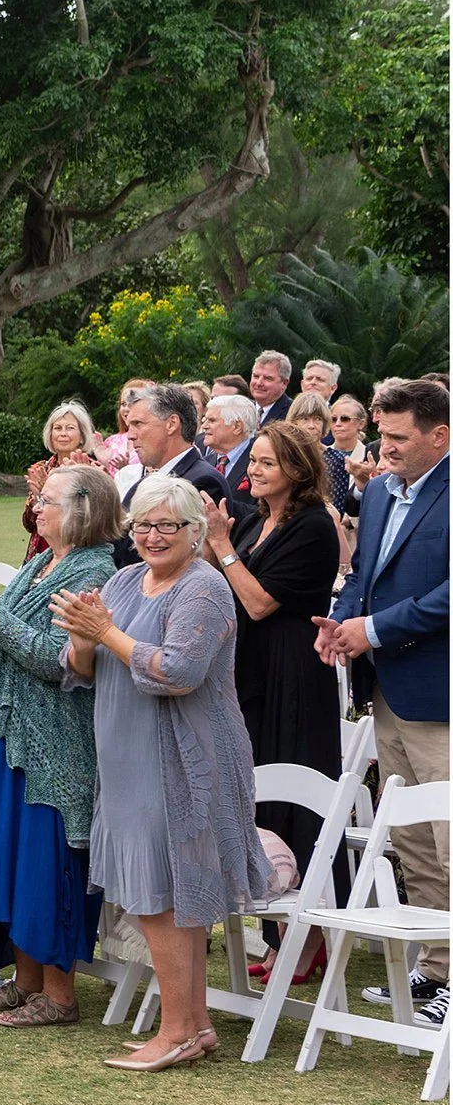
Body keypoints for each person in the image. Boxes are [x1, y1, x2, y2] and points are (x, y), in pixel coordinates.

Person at [54, 475, 272, 1071]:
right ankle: (194, 1025)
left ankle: (176, 1029)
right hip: (126, 757)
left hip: (183, 760)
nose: (152, 536)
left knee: (168, 899)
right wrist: (82, 637)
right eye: (142, 525)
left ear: (196, 532)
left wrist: (107, 634)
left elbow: (178, 671)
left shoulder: (203, 590)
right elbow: (87, 667)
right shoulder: (126, 580)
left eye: (167, 525)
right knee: (159, 895)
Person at [0, 465, 121, 1027]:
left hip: (53, 743)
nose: (36, 508)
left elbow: (56, 659)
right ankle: (24, 982)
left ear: (84, 510)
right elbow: (10, 630)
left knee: (47, 863)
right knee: (8, 856)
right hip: (5, 730)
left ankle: (60, 995)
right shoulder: (44, 559)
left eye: (48, 501)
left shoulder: (95, 571)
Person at [318, 378, 448, 1027]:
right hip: (385, 690)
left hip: (440, 694)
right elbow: (363, 574)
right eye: (383, 435)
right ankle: (436, 967)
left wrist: (371, 628)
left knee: (450, 837)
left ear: (439, 436)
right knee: (413, 838)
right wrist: (340, 624)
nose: (384, 448)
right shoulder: (376, 496)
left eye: (398, 438)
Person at [201, 420, 343, 980]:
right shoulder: (257, 521)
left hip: (293, 672)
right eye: (252, 461)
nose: (252, 470)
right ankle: (276, 930)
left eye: (264, 463)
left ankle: (305, 935)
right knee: (257, 792)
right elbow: (225, 583)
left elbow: (260, 603)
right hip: (252, 670)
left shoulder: (313, 526)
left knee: (291, 796)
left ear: (297, 470)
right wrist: (217, 548)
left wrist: (219, 545)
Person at [111, 383, 236, 567]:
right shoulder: (151, 479)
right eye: (129, 425)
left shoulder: (202, 482)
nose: (130, 435)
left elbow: (184, 565)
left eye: (138, 424)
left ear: (172, 424)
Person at [22, 401, 98, 558]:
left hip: (78, 553)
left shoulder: (92, 470)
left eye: (70, 428)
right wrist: (39, 497)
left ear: (82, 436)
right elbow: (29, 523)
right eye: (57, 428)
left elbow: (97, 519)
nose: (63, 434)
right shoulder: (41, 468)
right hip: (40, 551)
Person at [286, 392, 355, 522]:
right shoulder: (284, 455)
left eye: (318, 419)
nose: (311, 425)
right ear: (294, 421)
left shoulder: (336, 460)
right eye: (305, 419)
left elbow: (336, 509)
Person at [202, 392, 261, 495]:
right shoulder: (204, 463)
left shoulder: (259, 463)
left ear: (237, 427)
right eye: (205, 420)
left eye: (211, 420)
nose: (204, 426)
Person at [98, 377, 154, 474]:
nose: (127, 409)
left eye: (133, 403)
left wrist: (126, 470)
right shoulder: (112, 441)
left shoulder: (155, 441)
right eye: (123, 404)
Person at [250, 349, 294, 425]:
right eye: (256, 376)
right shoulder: (241, 410)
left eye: (267, 378)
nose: (259, 383)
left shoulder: (293, 414)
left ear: (284, 383)